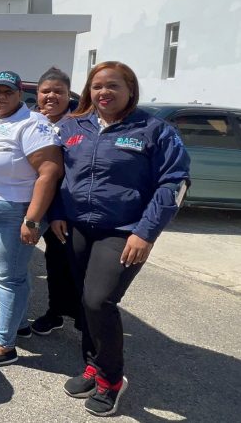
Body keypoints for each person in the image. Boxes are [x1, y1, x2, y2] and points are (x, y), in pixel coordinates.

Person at [50, 61, 189, 417]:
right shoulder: (72, 127)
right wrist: (56, 213)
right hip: (77, 227)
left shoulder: (153, 130)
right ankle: (93, 366)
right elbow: (54, 174)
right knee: (84, 301)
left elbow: (175, 183)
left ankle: (112, 380)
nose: (104, 93)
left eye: (113, 86)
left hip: (124, 231)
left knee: (99, 301)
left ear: (130, 89)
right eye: (97, 86)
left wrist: (146, 233)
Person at [0, 70, 63, 367]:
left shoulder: (32, 124)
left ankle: (4, 346)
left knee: (8, 277)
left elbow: (49, 172)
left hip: (13, 212)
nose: (0, 97)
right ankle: (17, 324)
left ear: (21, 94)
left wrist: (32, 220)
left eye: (7, 92)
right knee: (15, 272)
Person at [31, 67, 81, 336]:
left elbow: (67, 174)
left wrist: (59, 211)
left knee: (77, 263)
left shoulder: (80, 123)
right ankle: (56, 312)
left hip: (68, 208)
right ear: (37, 94)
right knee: (54, 263)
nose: (51, 96)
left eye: (58, 91)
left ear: (68, 94)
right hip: (39, 205)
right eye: (46, 91)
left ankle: (84, 317)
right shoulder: (32, 120)